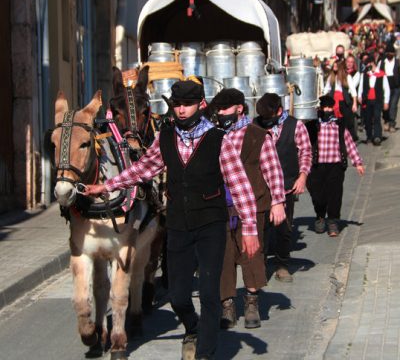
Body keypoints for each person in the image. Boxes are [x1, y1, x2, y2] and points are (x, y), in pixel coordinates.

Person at [82, 80, 259, 360]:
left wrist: (250, 228)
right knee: (177, 296)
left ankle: (205, 353)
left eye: (187, 104)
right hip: (178, 225)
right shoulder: (165, 137)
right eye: (176, 105)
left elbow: (239, 185)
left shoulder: (218, 140)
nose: (181, 110)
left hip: (211, 225)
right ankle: (192, 326)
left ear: (201, 105)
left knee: (210, 294)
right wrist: (107, 186)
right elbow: (143, 169)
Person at [209, 88, 286, 330]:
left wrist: (278, 201)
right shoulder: (214, 135)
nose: (220, 114)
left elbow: (272, 169)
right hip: (221, 206)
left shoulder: (258, 135)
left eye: (224, 109)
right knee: (224, 256)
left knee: (252, 254)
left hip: (254, 204)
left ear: (239, 108)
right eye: (217, 110)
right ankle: (227, 304)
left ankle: (252, 302)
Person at [254, 93, 312, 283]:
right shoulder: (255, 125)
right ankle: (259, 265)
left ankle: (282, 264)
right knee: (261, 227)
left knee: (284, 228)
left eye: (269, 118)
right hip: (261, 187)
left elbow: (305, 152)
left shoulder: (296, 126)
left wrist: (302, 176)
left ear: (280, 111)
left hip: (286, 184)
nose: (265, 121)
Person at [305, 95, 364, 237]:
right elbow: (303, 144)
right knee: (318, 195)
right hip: (317, 166)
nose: (327, 110)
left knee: (335, 195)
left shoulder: (339, 125)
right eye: (325, 107)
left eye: (330, 107)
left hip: (335, 166)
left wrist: (358, 162)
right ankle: (320, 215)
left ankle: (332, 221)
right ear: (320, 108)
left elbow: (349, 143)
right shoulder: (312, 125)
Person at [357, 55, 390, 145]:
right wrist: (359, 95)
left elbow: (386, 89)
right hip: (367, 99)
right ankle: (369, 136)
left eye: (368, 64)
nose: (367, 66)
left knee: (376, 117)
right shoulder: (365, 74)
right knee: (367, 118)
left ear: (372, 63)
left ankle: (377, 136)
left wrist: (386, 101)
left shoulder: (381, 74)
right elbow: (361, 85)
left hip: (377, 100)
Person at [323, 60, 358, 140]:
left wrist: (354, 103)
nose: (334, 68)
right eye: (333, 66)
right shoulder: (331, 77)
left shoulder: (347, 77)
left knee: (346, 122)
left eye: (336, 66)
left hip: (344, 102)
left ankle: (349, 140)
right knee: (333, 121)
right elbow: (326, 89)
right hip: (333, 101)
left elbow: (353, 91)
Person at [381, 43, 400, 133]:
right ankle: (386, 120)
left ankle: (392, 123)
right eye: (388, 53)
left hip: (396, 87)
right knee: (386, 105)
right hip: (385, 86)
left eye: (391, 53)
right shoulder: (382, 62)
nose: (390, 54)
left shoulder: (398, 62)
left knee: (393, 105)